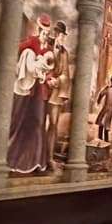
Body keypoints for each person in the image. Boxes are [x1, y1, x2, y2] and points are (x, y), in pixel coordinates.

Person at [8, 40, 55, 175]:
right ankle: (17, 161)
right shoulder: (31, 46)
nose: (45, 36)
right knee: (21, 125)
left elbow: (50, 69)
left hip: (38, 95)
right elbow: (32, 67)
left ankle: (38, 163)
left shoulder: (47, 50)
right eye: (43, 32)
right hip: (30, 93)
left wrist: (48, 78)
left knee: (38, 126)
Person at [45, 21, 71, 167]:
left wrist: (58, 81)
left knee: (53, 124)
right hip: (41, 89)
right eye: (61, 35)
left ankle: (49, 158)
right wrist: (48, 78)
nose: (62, 38)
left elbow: (66, 74)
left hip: (55, 92)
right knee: (37, 123)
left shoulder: (64, 53)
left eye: (63, 35)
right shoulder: (46, 46)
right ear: (56, 34)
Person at [95, 75, 112, 141]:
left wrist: (98, 101)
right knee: (106, 126)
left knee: (101, 124)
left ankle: (100, 139)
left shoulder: (107, 89)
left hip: (106, 108)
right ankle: (106, 140)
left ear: (111, 81)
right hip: (110, 110)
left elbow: (101, 94)